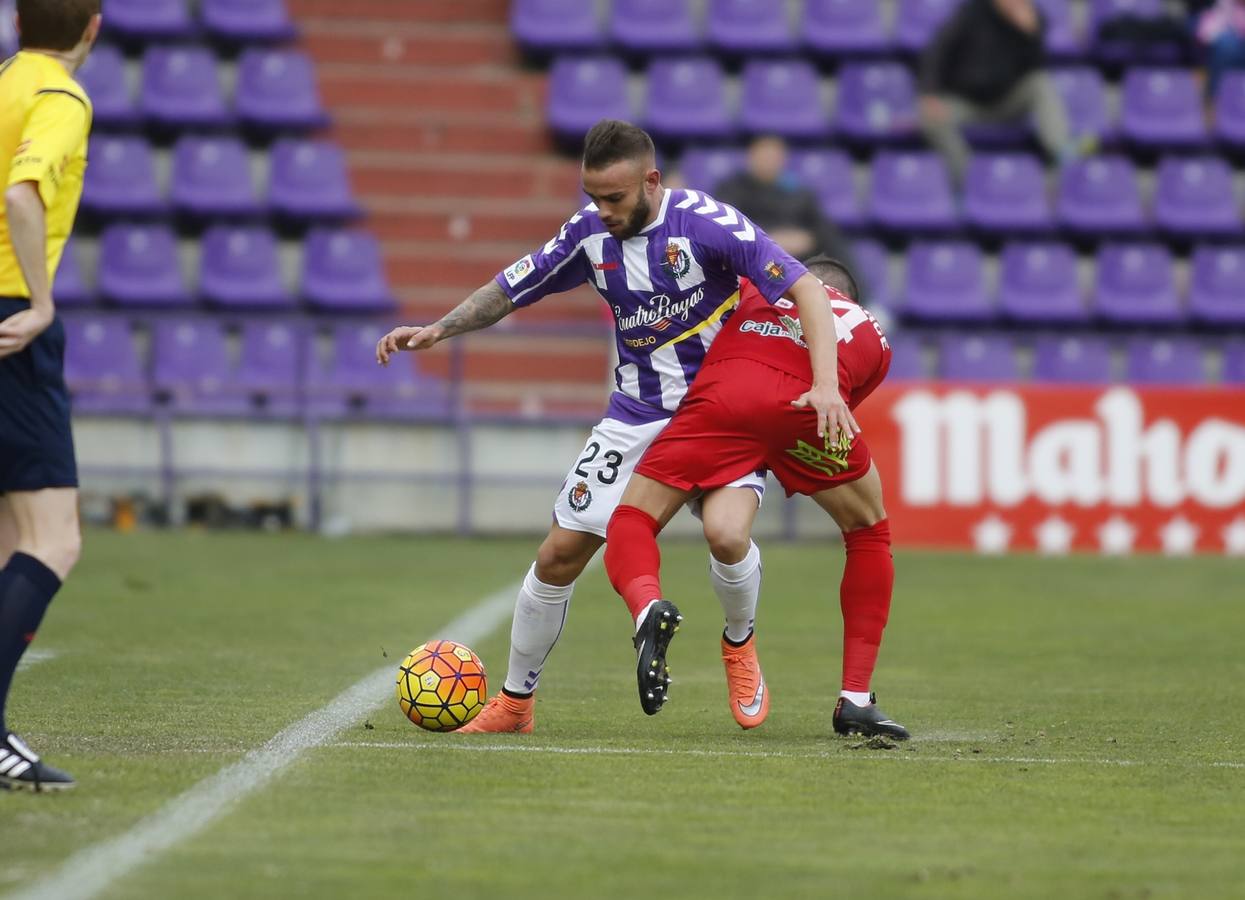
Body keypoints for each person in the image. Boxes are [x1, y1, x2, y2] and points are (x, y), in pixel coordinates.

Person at [377, 119, 853, 732]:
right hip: (634, 415)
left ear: (651, 182)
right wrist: (438, 329)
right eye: (592, 196)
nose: (600, 210)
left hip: (719, 415)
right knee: (558, 555)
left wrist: (822, 383)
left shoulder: (709, 224)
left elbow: (808, 289)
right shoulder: (588, 234)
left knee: (727, 538)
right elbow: (511, 288)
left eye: (614, 198)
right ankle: (515, 704)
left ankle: (740, 644)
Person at [603, 257, 909, 740]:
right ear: (851, 296)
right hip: (805, 411)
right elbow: (843, 401)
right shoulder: (874, 332)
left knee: (632, 516)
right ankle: (855, 697)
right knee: (869, 530)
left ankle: (646, 607)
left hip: (727, 396)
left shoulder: (755, 289)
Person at [0, 0, 102, 792]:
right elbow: (22, 194)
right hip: (12, 323)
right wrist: (40, 303)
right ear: (91, 27)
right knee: (54, 537)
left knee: (9, 537)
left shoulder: (4, 80)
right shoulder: (60, 98)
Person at [918, 0, 1086, 186]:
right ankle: (968, 178)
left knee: (1040, 83)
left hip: (1007, 102)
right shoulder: (971, 12)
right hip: (966, 103)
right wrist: (929, 92)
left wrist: (1029, 34)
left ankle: (1061, 149)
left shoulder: (1032, 18)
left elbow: (1036, 66)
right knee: (929, 116)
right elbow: (938, 50)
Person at [712, 135, 859, 275]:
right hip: (750, 264)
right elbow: (725, 229)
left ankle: (857, 296)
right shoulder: (731, 188)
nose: (768, 161)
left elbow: (821, 228)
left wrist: (810, 238)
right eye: (763, 155)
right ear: (751, 156)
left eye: (774, 157)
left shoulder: (798, 192)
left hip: (799, 262)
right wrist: (771, 240)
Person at [1197, 0, 1245, 99]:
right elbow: (1204, 36)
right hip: (1224, 54)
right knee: (1226, 45)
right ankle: (1217, 96)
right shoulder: (1221, 7)